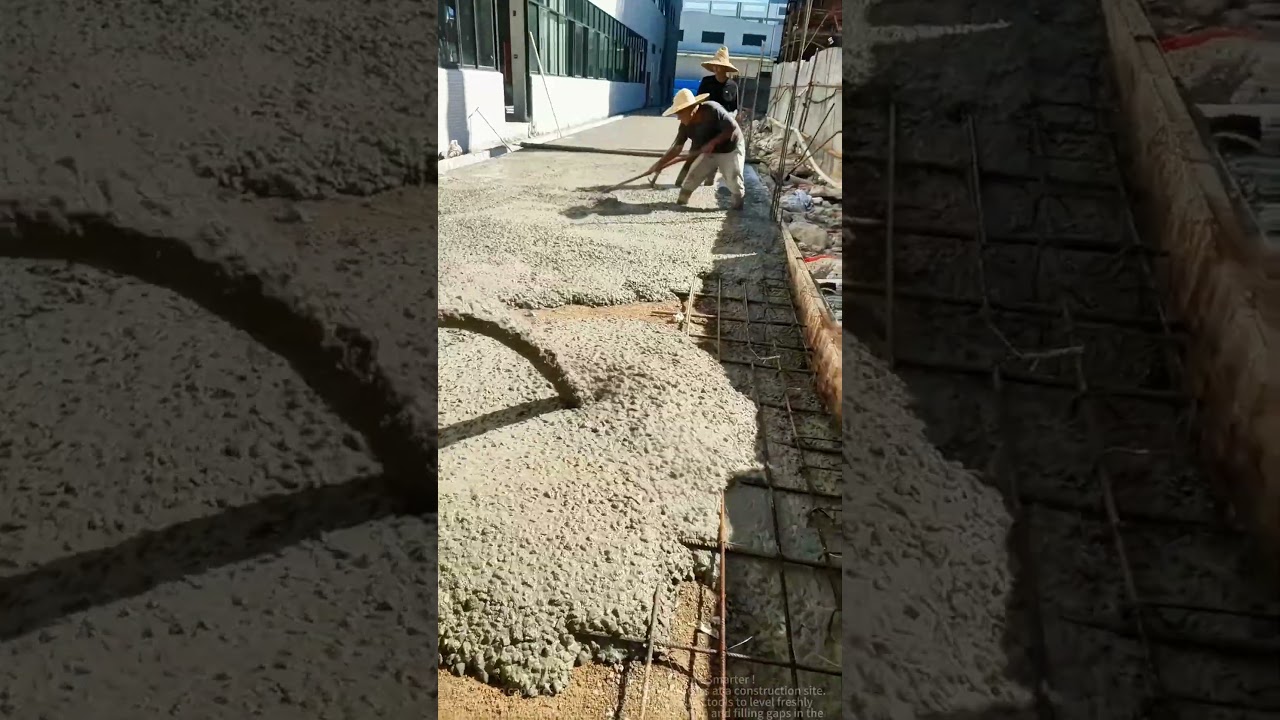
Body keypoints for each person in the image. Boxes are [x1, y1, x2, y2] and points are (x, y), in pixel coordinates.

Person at [648, 89, 745, 210]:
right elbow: (677, 148)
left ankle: (737, 209)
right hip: (709, 152)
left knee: (733, 179)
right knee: (692, 177)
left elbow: (732, 128)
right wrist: (660, 163)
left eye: (680, 113)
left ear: (691, 109)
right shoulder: (685, 125)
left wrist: (712, 143)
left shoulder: (712, 109)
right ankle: (679, 205)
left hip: (730, 148)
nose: (678, 118)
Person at [675, 47, 741, 188]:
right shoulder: (706, 82)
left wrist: (731, 121)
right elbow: (697, 102)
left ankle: (708, 183)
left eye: (720, 67)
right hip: (704, 124)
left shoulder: (732, 86)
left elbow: (733, 108)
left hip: (720, 125)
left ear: (725, 68)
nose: (717, 69)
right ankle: (680, 181)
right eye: (715, 66)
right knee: (694, 153)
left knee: (714, 154)